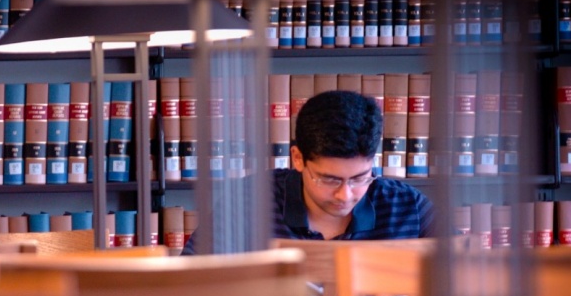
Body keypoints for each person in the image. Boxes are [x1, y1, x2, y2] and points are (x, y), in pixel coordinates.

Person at [182, 89, 435, 254]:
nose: (345, 195)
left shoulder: (407, 205)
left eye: (359, 178)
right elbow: (189, 278)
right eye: (329, 179)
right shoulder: (249, 200)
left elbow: (466, 271)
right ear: (298, 158)